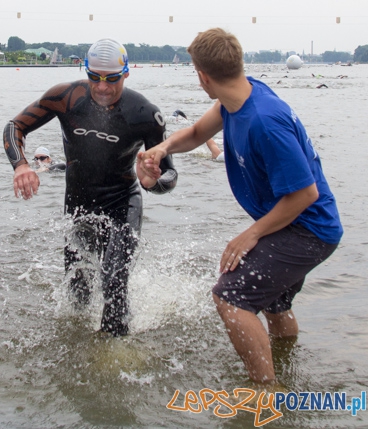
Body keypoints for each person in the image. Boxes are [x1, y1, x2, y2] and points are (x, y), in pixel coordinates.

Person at [138, 28, 342, 384]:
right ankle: (287, 365)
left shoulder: (264, 121)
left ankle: (266, 391)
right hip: (297, 225)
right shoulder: (238, 98)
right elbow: (197, 133)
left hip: (308, 230)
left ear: (203, 76)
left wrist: (251, 235)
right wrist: (163, 148)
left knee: (230, 297)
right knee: (275, 303)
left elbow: (305, 194)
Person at [3, 38, 177, 336]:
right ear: (86, 71)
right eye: (94, 77)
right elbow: (14, 126)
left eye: (112, 79)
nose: (102, 87)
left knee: (114, 279)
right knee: (77, 291)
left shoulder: (145, 114)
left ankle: (115, 351)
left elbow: (170, 175)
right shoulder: (66, 98)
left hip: (123, 203)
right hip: (78, 205)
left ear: (126, 73)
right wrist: (20, 165)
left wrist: (153, 182)